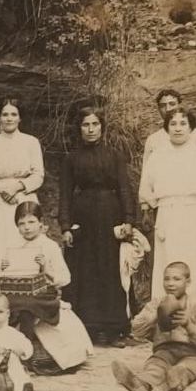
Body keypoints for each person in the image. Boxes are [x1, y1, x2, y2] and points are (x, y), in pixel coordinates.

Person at [59, 103, 136, 345]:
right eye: (85, 125)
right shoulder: (72, 158)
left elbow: (125, 188)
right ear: (79, 128)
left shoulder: (114, 156)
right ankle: (89, 329)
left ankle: (114, 329)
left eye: (95, 124)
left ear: (102, 128)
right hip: (83, 219)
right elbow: (65, 194)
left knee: (110, 268)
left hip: (109, 216)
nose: (90, 129)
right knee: (84, 270)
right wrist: (65, 226)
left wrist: (129, 220)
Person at [138, 106, 196, 319]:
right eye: (173, 124)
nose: (178, 128)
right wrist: (152, 206)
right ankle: (165, 318)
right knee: (169, 261)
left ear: (191, 127)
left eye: (183, 123)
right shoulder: (158, 156)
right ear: (166, 128)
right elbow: (146, 187)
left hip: (192, 213)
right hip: (167, 214)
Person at [0, 202, 93, 374]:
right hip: (19, 295)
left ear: (41, 223)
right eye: (22, 224)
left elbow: (65, 278)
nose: (27, 228)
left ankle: (29, 355)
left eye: (31, 222)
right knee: (12, 306)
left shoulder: (49, 246)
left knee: (29, 308)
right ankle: (14, 351)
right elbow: (5, 277)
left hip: (43, 298)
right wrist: (4, 267)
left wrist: (47, 269)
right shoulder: (11, 245)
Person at [112, 261, 196, 391]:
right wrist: (155, 316)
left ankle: (170, 384)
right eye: (166, 279)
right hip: (164, 351)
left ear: (188, 282)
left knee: (187, 368)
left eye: (176, 279)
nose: (170, 283)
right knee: (155, 366)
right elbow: (136, 330)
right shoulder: (156, 303)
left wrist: (189, 325)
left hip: (193, 354)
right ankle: (139, 385)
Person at [0, 99, 44, 299]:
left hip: (23, 199)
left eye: (13, 114)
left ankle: (25, 303)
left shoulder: (31, 142)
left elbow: (38, 175)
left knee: (24, 246)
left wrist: (17, 187)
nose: (9, 118)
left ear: (20, 117)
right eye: (5, 114)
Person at [142, 88, 196, 162]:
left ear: (179, 105)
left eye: (172, 104)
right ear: (158, 109)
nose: (167, 109)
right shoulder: (153, 140)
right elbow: (146, 171)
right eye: (163, 105)